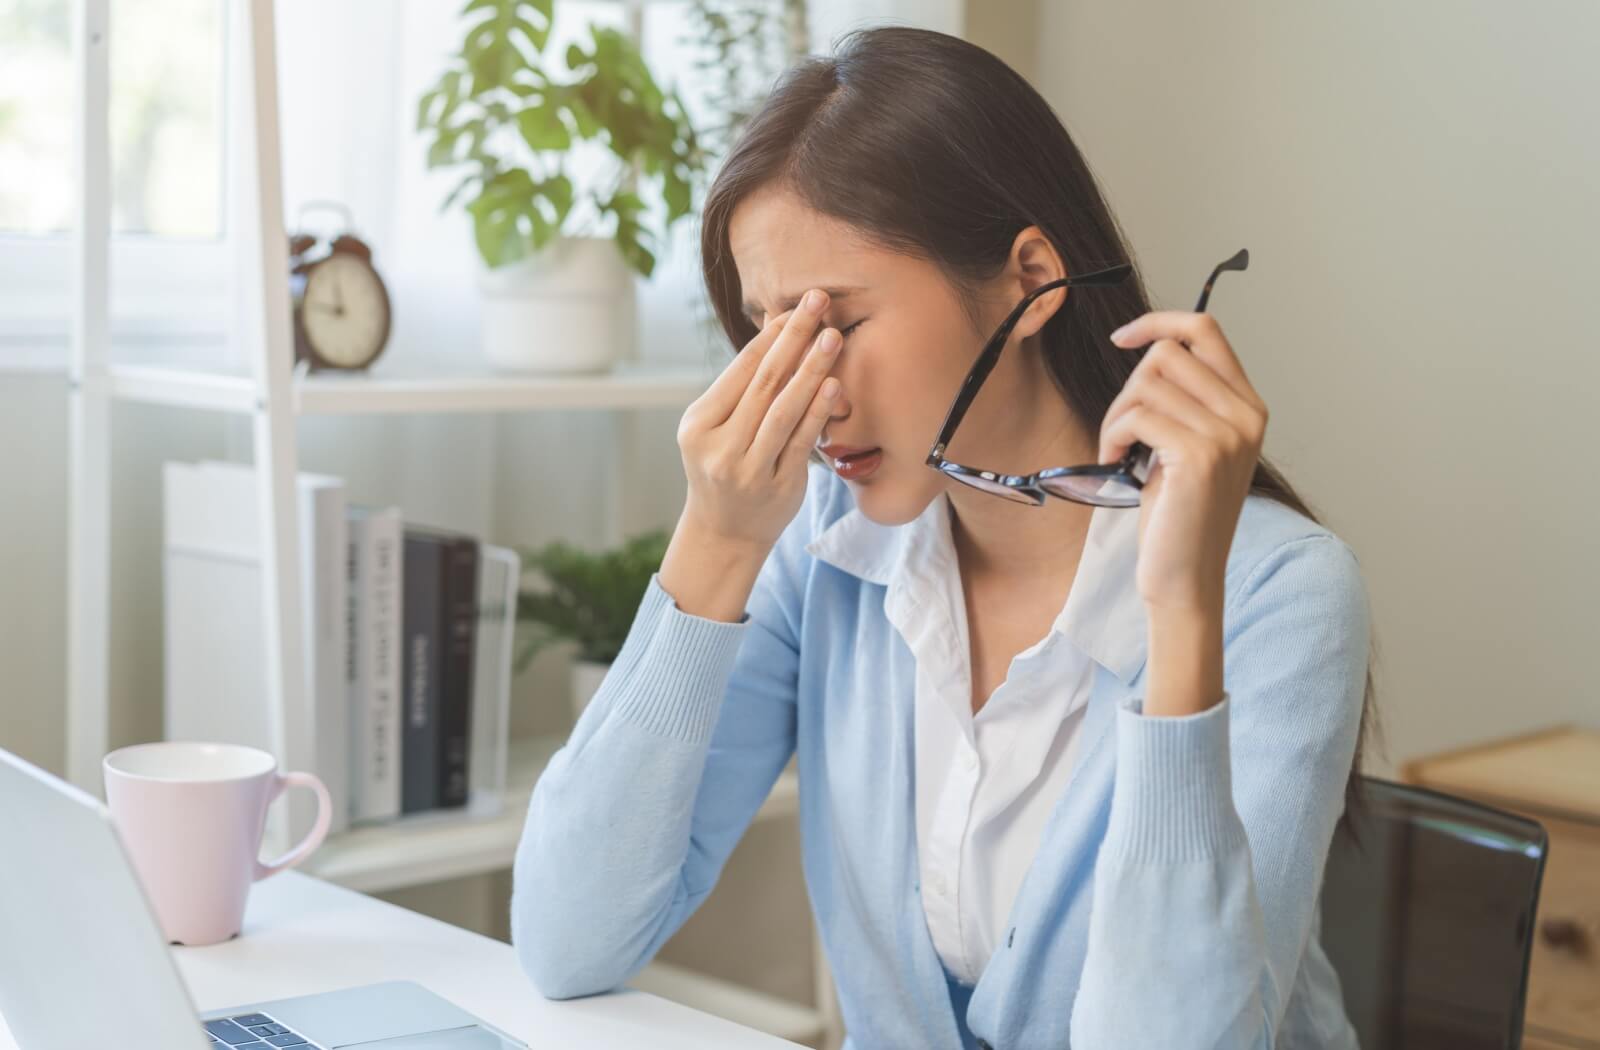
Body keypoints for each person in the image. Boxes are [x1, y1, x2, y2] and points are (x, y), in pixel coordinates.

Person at [512, 24, 1374, 1050]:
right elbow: (567, 939)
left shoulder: (1279, 592)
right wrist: (717, 541)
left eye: (835, 323)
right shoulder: (825, 552)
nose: (808, 391)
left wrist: (1183, 616)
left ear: (1028, 279)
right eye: (767, 332)